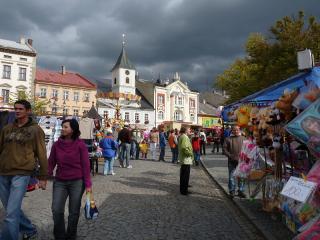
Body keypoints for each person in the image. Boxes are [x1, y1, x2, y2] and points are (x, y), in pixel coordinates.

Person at [0, 100, 48, 240]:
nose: (17, 111)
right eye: (16, 108)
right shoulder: (7, 128)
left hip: (21, 173)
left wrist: (43, 177)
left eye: (21, 109)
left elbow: (42, 153)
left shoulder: (36, 130)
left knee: (11, 213)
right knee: (11, 209)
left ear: (28, 111)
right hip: (3, 173)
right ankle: (29, 229)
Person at [48, 119, 92, 239]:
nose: (62, 128)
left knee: (74, 212)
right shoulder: (57, 145)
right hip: (60, 181)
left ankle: (71, 235)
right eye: (62, 126)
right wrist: (44, 177)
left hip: (77, 182)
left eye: (66, 127)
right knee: (56, 209)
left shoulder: (80, 145)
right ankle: (60, 236)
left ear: (73, 129)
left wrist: (88, 185)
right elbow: (51, 162)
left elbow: (86, 165)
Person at [223, 125, 246, 198]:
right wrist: (230, 156)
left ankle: (241, 190)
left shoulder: (244, 139)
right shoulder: (228, 139)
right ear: (232, 130)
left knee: (241, 176)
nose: (236, 131)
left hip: (241, 162)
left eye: (237, 130)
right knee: (231, 177)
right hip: (232, 161)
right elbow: (224, 149)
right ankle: (232, 191)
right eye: (234, 130)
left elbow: (247, 149)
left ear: (240, 130)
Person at [178, 127, 194, 195]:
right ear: (185, 130)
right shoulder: (184, 137)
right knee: (185, 176)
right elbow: (184, 147)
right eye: (189, 129)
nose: (190, 130)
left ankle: (183, 189)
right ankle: (184, 191)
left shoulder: (183, 136)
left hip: (184, 159)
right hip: (186, 159)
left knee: (183, 175)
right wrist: (190, 153)